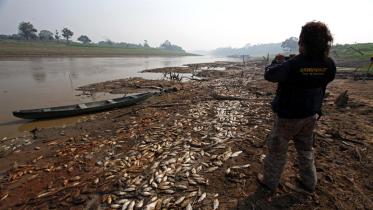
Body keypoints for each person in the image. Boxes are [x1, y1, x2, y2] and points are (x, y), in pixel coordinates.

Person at [258, 21, 336, 199]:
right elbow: (322, 83)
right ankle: (309, 182)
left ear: (303, 42)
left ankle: (269, 182)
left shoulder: (294, 63)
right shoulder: (329, 64)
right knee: (306, 150)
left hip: (287, 117)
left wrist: (275, 62)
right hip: (310, 115)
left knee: (277, 149)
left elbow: (270, 75)